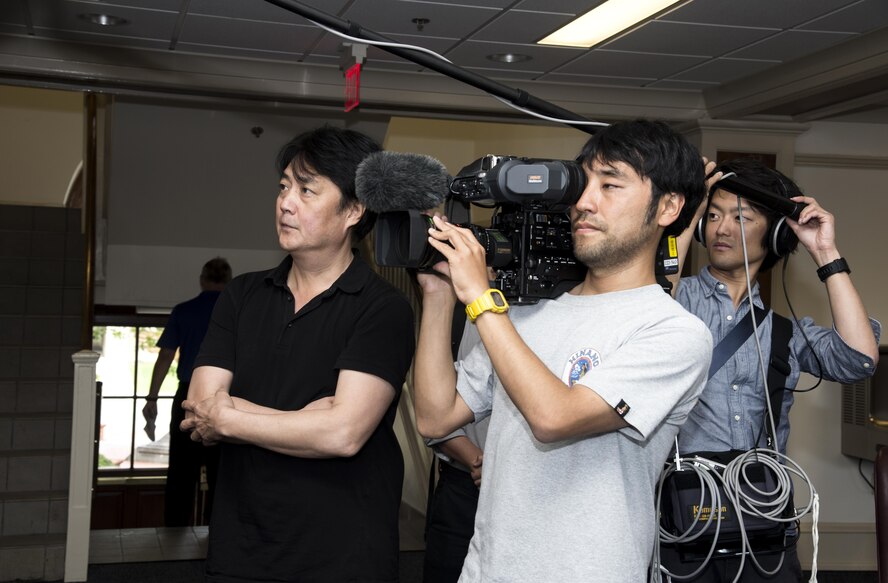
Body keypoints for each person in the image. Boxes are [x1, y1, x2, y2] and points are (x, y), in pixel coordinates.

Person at [413, 119, 714, 582]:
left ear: (669, 206)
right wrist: (437, 298)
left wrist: (480, 299)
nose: (584, 202)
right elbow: (436, 417)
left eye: (610, 185)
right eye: (582, 183)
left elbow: (555, 418)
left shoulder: (674, 332)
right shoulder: (524, 313)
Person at [180, 126, 415, 583]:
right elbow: (200, 409)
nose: (286, 202)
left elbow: (342, 434)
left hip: (343, 553)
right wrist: (308, 420)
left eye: (307, 190)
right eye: (284, 186)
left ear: (353, 209)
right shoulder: (242, 294)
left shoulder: (382, 307)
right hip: (242, 546)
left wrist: (232, 416)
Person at [663, 157, 881, 581]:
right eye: (712, 215)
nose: (721, 229)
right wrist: (684, 219)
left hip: (763, 525)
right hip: (679, 523)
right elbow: (641, 317)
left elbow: (860, 359)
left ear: (777, 233)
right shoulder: (673, 304)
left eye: (741, 217)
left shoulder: (783, 332)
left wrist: (825, 251)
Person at [142, 256, 231, 526]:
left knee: (182, 469)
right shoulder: (234, 312)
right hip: (226, 397)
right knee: (223, 471)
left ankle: (173, 532)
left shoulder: (183, 310)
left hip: (188, 395)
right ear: (228, 282)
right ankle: (219, 534)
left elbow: (166, 357)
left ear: (203, 280)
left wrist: (152, 397)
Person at [423, 324, 489, 583]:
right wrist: (477, 461)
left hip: (531, 491)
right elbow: (432, 414)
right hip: (463, 489)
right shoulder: (463, 315)